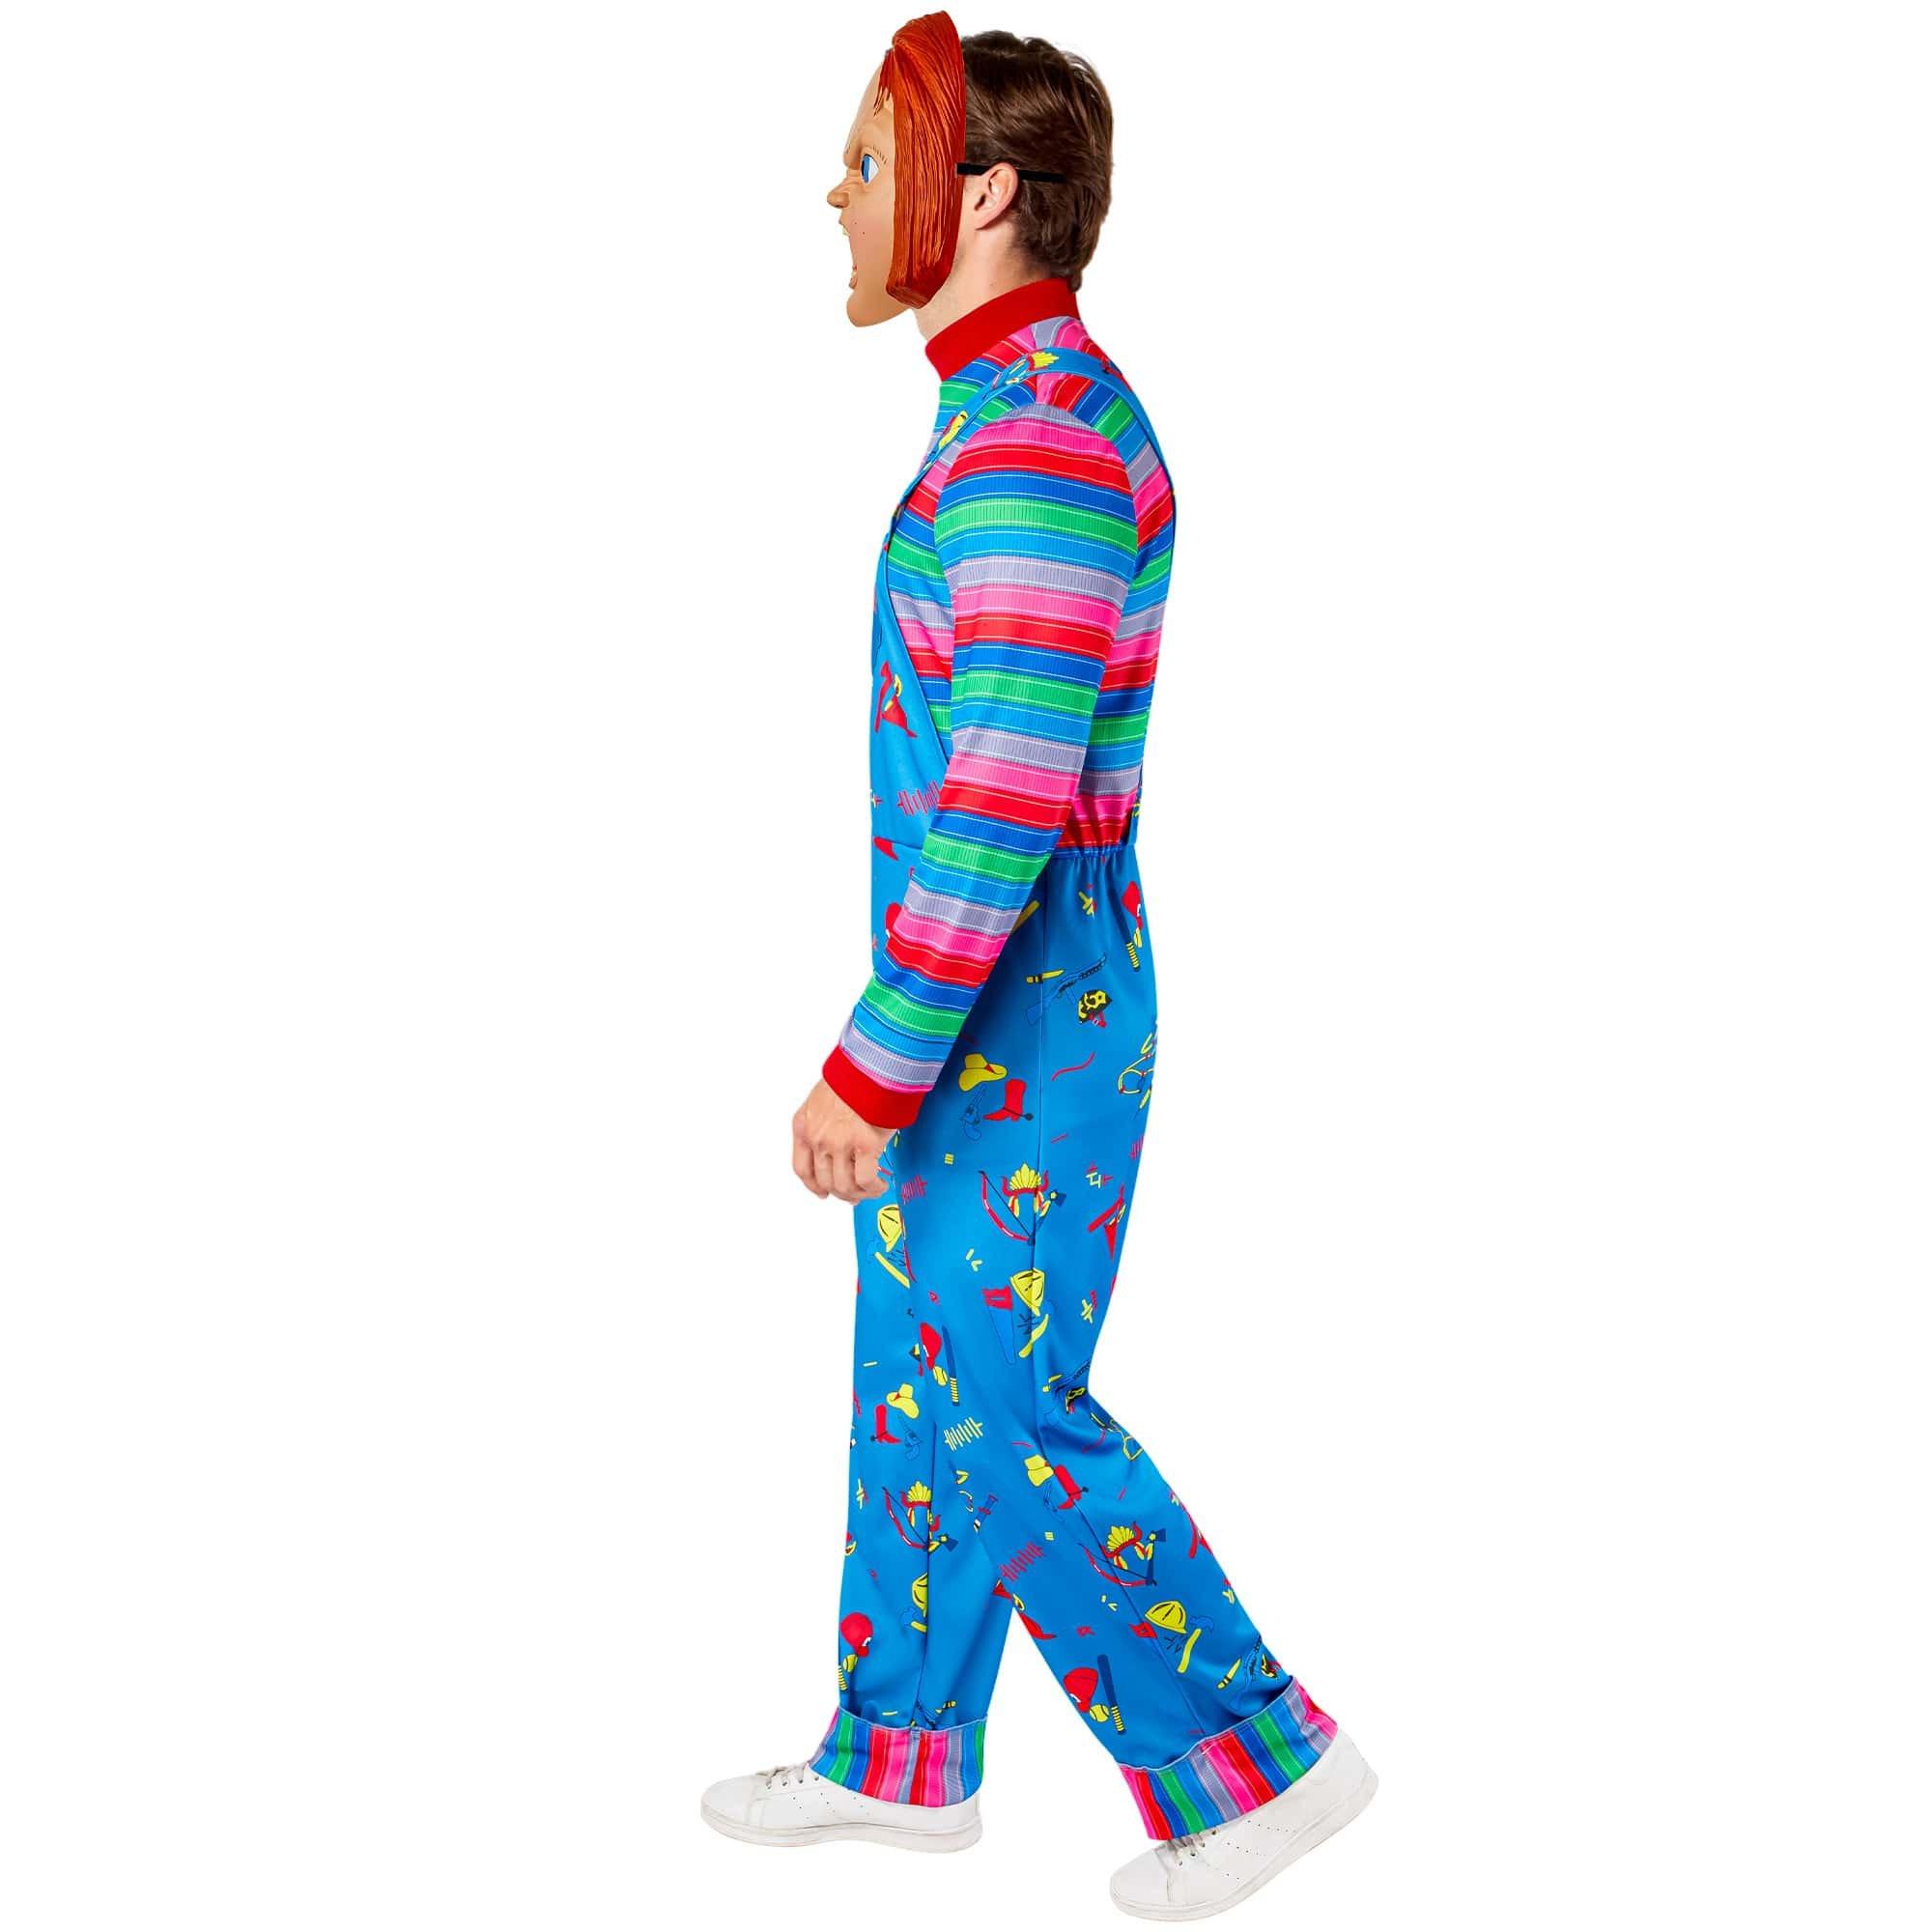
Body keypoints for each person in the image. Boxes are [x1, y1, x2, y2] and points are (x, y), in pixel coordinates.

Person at [700, 15, 1378, 1918]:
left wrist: (873, 1058)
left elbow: (1000, 795)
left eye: (869, 160)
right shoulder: (1003, 411)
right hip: (990, 1002)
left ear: (982, 192)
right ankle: (899, 1755)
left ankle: (1259, 1762)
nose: (837, 195)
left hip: (1021, 1005)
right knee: (929, 1375)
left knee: (1003, 1399)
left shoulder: (1042, 442)